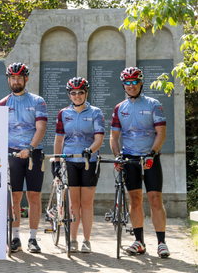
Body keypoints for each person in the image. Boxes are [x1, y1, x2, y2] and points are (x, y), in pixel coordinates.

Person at [110, 66, 169, 258]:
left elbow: (161, 132)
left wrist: (152, 153)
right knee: (135, 200)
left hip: (150, 157)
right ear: (123, 85)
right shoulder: (119, 108)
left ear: (141, 83)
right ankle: (139, 242)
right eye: (127, 82)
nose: (131, 85)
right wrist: (118, 155)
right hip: (129, 158)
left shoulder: (153, 104)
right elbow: (114, 136)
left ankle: (161, 243)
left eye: (135, 82)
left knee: (154, 199)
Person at [0, 63, 48, 253]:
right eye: (13, 78)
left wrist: (30, 147)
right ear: (8, 79)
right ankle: (16, 236)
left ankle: (33, 238)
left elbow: (41, 128)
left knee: (34, 196)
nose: (16, 81)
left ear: (26, 79)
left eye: (20, 78)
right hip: (11, 154)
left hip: (33, 152)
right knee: (15, 197)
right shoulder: (1, 104)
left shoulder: (37, 101)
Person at [54, 76, 104, 253]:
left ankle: (87, 240)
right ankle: (73, 240)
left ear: (86, 93)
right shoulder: (63, 114)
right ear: (69, 95)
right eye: (73, 93)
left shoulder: (95, 112)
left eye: (80, 92)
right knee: (73, 202)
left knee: (87, 203)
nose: (77, 96)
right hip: (70, 161)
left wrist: (90, 150)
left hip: (88, 162)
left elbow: (99, 139)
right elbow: (59, 140)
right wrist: (57, 161)